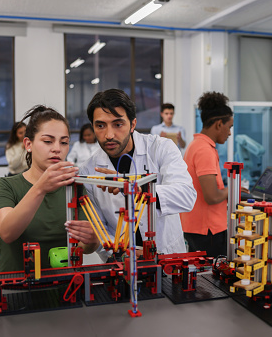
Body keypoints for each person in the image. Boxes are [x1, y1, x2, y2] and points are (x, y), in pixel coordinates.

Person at [80, 89, 196, 257]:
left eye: (118, 124)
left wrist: (142, 191)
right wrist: (125, 253)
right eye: (100, 125)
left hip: (168, 257)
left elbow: (187, 196)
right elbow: (100, 228)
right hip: (120, 265)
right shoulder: (89, 170)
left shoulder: (161, 148)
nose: (109, 135)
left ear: (132, 124)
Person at [0, 105, 99, 273]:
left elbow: (86, 245)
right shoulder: (6, 186)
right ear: (28, 144)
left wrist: (92, 239)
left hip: (63, 288)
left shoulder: (75, 188)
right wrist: (40, 188)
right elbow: (7, 232)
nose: (57, 148)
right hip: (13, 288)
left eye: (64, 142)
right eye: (48, 141)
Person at [179, 91, 234, 258]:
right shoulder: (204, 150)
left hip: (197, 227)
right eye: (229, 127)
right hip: (208, 231)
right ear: (219, 124)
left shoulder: (196, 145)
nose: (230, 133)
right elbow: (212, 196)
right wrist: (233, 189)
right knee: (212, 280)